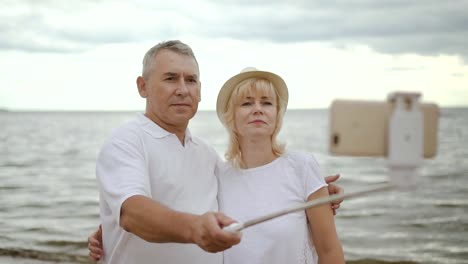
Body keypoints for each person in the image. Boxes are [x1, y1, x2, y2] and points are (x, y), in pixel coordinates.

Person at [88, 40, 344, 263]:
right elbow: (133, 213)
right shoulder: (127, 140)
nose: (182, 89)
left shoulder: (207, 156)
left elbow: (260, 188)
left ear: (200, 91)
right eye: (170, 78)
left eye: (191, 80)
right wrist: (115, 222)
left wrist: (313, 192)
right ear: (143, 86)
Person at [216, 67, 345, 263]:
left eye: (266, 102)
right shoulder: (218, 177)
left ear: (277, 115)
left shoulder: (303, 167)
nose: (257, 109)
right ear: (231, 117)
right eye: (246, 103)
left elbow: (329, 252)